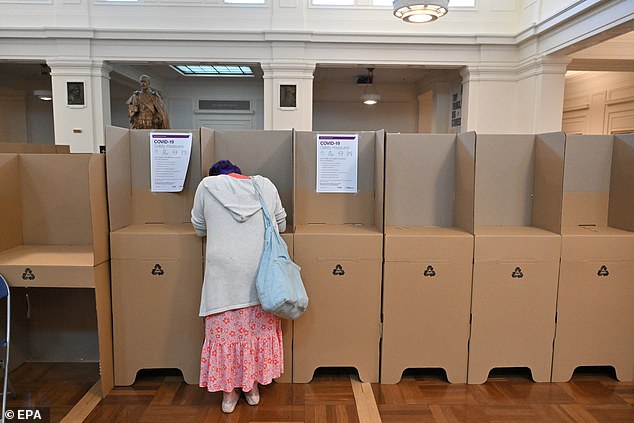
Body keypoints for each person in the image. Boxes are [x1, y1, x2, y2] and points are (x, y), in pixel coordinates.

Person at [191, 159, 287, 413]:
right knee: (254, 334)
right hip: (261, 279)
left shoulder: (206, 187)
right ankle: (252, 388)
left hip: (221, 280)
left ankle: (228, 395)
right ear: (238, 174)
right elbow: (282, 225)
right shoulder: (265, 186)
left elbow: (199, 228)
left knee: (224, 337)